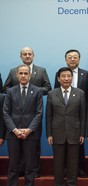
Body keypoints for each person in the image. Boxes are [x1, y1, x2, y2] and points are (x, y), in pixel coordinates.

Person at [3, 47, 52, 178]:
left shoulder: (41, 71)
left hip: (33, 111)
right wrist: (15, 93)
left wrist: (34, 91)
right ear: (21, 56)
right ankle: (19, 170)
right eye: (24, 54)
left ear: (33, 55)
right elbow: (5, 87)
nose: (27, 56)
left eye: (29, 54)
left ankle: (34, 171)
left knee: (34, 145)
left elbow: (48, 88)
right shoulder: (14, 71)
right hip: (16, 113)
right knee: (16, 148)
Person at [3, 64, 43, 186]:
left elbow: (39, 113)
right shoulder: (10, 91)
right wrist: (14, 130)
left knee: (29, 166)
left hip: (30, 134)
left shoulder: (37, 91)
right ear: (17, 75)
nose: (23, 76)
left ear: (30, 75)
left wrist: (28, 130)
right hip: (12, 134)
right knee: (13, 166)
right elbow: (6, 113)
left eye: (26, 73)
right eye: (21, 73)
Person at [46, 67, 86, 186]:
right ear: (58, 78)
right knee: (58, 165)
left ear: (72, 78)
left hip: (74, 133)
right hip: (57, 134)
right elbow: (49, 116)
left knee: (72, 165)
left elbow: (83, 115)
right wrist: (49, 134)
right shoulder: (52, 94)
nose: (66, 79)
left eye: (68, 76)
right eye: (63, 76)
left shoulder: (80, 93)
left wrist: (82, 133)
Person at [54, 49, 88, 178]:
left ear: (79, 59)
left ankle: (80, 168)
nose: (72, 59)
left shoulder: (86, 74)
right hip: (63, 114)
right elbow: (56, 94)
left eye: (75, 57)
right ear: (66, 59)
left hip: (79, 113)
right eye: (69, 57)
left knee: (79, 144)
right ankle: (65, 169)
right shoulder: (59, 74)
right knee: (64, 145)